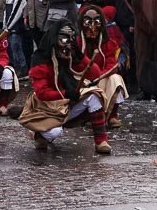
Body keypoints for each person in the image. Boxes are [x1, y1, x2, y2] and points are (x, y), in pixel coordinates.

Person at [19, 19, 111, 154]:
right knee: (55, 132)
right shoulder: (40, 59)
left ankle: (101, 140)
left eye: (71, 40)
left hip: (67, 105)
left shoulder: (70, 56)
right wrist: (66, 93)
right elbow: (42, 93)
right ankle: (39, 133)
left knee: (94, 95)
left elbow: (94, 73)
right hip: (46, 108)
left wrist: (80, 56)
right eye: (64, 39)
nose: (67, 44)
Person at [77, 4, 127, 128]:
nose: (92, 27)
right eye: (88, 22)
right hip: (81, 80)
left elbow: (112, 64)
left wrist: (98, 77)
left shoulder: (107, 42)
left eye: (96, 22)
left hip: (100, 78)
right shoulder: (76, 43)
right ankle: (86, 115)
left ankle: (112, 115)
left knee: (115, 79)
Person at [112, 0, 142, 88]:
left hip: (130, 23)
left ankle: (134, 83)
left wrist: (133, 23)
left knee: (133, 53)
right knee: (122, 53)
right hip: (120, 23)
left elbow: (138, 5)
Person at [4, 0, 29, 78]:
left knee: (17, 48)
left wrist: (8, 26)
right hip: (9, 29)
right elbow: (6, 12)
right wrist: (5, 26)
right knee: (11, 49)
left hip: (16, 29)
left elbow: (16, 13)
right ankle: (15, 68)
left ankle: (22, 69)